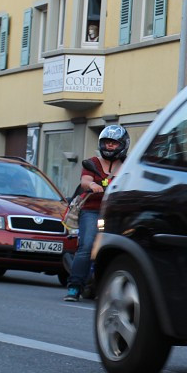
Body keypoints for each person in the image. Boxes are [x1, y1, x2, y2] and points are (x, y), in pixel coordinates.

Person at [64, 125, 128, 301]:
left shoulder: (127, 166)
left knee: (117, 250)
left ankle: (109, 289)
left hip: (115, 214)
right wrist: (92, 185)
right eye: (107, 143)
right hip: (92, 211)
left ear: (122, 144)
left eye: (113, 144)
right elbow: (85, 181)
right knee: (86, 247)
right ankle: (74, 287)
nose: (109, 146)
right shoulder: (92, 163)